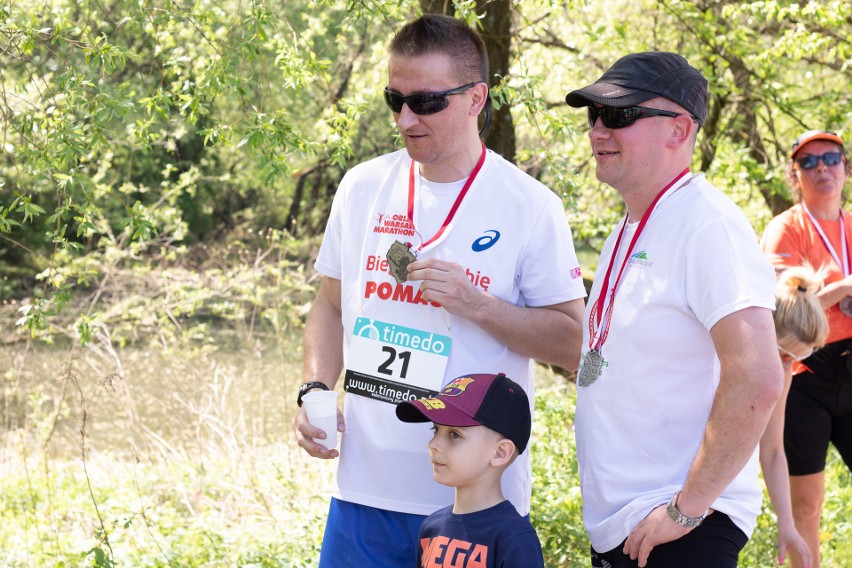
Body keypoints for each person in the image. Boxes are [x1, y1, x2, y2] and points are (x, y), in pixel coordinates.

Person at [292, 14, 587, 567]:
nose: (406, 119)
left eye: (426, 102)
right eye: (393, 100)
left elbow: (574, 343)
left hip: (472, 507)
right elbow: (330, 305)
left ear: (476, 98)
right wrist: (314, 387)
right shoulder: (361, 187)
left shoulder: (529, 205)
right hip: (364, 491)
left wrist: (476, 304)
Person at [564, 51, 784, 567]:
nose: (598, 130)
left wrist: (686, 511)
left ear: (679, 129)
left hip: (681, 530)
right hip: (631, 529)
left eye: (618, 115)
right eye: (593, 116)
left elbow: (758, 378)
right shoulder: (633, 224)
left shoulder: (708, 225)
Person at [760, 129, 852, 568]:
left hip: (850, 363)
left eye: (831, 158)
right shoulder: (784, 230)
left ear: (845, 167)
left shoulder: (851, 224)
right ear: (794, 175)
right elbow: (782, 315)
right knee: (807, 502)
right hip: (802, 371)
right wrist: (841, 290)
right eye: (809, 162)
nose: (822, 169)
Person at [396, 372, 545, 568]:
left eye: (454, 435)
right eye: (435, 430)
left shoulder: (514, 538)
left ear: (500, 452)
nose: (433, 443)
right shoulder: (431, 528)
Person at [763, 266, 828, 568]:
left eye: (797, 359)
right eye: (786, 355)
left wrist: (786, 523)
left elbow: (774, 450)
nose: (788, 366)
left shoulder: (784, 372)